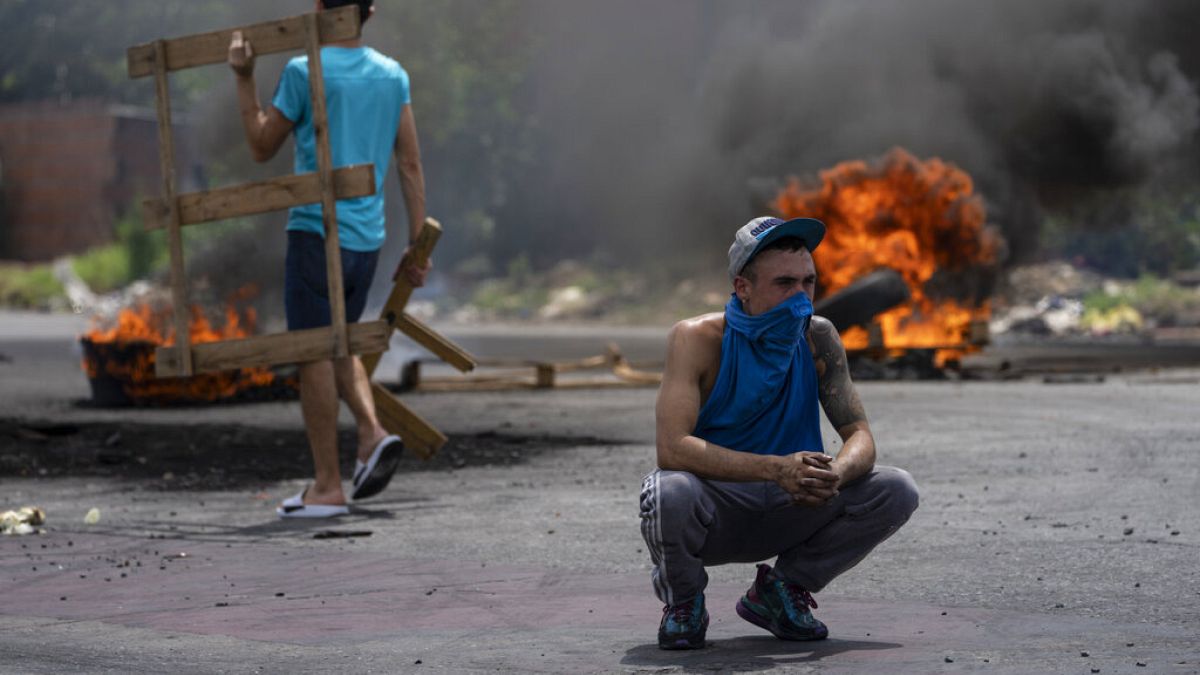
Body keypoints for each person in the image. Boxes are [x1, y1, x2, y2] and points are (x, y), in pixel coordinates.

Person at [640, 216, 919, 649]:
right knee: (667, 492)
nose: (800, 297)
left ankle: (781, 590)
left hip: (796, 503)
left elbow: (860, 435)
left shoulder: (819, 337)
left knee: (896, 488)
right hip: (720, 509)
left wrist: (835, 475)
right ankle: (684, 603)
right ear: (743, 287)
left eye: (808, 282)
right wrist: (775, 469)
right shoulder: (697, 338)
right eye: (784, 283)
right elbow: (672, 449)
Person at [227, 0, 429, 517]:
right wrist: (416, 243)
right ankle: (369, 434)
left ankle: (327, 485)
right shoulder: (393, 74)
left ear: (319, 9)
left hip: (317, 235)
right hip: (368, 239)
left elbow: (259, 144)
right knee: (340, 341)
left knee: (315, 351)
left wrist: (245, 77)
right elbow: (408, 162)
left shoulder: (302, 71)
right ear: (370, 12)